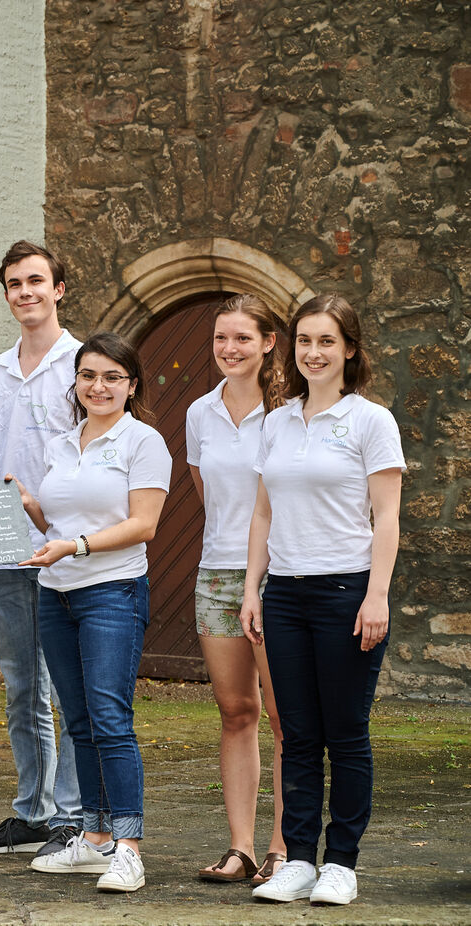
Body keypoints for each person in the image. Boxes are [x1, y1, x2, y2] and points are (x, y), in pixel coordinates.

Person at [242, 295, 404, 907]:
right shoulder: (277, 420)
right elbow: (262, 512)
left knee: (346, 731)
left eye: (327, 342)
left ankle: (342, 862)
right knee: (299, 734)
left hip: (346, 592)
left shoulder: (370, 421)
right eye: (304, 340)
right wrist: (254, 588)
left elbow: (386, 517)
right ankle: (299, 860)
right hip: (285, 593)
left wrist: (377, 596)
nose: (313, 352)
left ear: (350, 350)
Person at [15, 332, 170, 893]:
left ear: (131, 386)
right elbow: (53, 526)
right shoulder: (63, 443)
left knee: (109, 720)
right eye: (87, 376)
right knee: (78, 722)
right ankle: (95, 838)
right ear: (75, 384)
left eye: (111, 377)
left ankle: (128, 846)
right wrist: (28, 507)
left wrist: (75, 545)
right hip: (55, 592)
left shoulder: (143, 441)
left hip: (112, 591)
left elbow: (143, 525)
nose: (98, 386)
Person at [0, 241, 84, 861]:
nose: (25, 292)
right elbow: (0, 449)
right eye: (14, 283)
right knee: (20, 686)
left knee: (68, 687)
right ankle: (31, 810)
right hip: (7, 547)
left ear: (58, 289)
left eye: (36, 281)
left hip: (66, 547)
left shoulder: (81, 365)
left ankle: (70, 815)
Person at [187, 295, 287, 885]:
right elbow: (209, 495)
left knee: (283, 716)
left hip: (279, 577)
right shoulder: (200, 412)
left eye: (243, 339)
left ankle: (282, 848)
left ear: (269, 343)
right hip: (216, 575)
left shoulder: (289, 414)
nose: (230, 349)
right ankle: (242, 847)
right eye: (222, 338)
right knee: (235, 712)